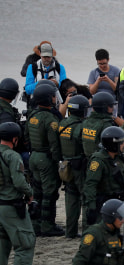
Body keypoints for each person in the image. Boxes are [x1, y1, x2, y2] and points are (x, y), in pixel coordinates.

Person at [0, 122, 38, 265]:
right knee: (25, 243)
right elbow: (19, 182)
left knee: (2, 245)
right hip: (11, 206)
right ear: (15, 139)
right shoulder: (12, 156)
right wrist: (30, 194)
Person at [25, 84, 64, 237]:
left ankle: (35, 223)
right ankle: (47, 225)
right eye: (54, 96)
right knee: (50, 193)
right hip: (46, 159)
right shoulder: (51, 120)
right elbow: (54, 145)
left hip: (33, 156)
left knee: (37, 191)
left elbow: (26, 138)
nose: (55, 99)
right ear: (49, 98)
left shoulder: (32, 116)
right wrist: (57, 162)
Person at [83, 126, 124, 226]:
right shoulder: (98, 161)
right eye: (121, 143)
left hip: (115, 199)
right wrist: (91, 207)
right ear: (113, 145)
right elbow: (90, 184)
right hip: (102, 202)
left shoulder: (118, 159)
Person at [58, 94, 89, 239]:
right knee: (86, 198)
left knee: (70, 199)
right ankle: (87, 231)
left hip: (66, 166)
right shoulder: (82, 127)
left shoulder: (62, 124)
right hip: (80, 166)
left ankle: (70, 232)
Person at [81, 92, 117, 158]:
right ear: (105, 108)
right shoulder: (106, 125)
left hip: (88, 159)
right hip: (102, 160)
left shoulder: (86, 122)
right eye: (111, 106)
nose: (113, 109)